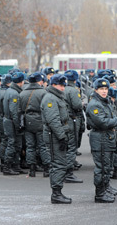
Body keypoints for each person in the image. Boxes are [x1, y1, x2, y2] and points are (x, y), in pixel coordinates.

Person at [86, 78, 117, 203]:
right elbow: (103, 122)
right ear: (96, 90)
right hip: (100, 138)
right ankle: (100, 194)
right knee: (101, 167)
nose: (104, 91)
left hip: (106, 137)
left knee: (107, 166)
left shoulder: (104, 102)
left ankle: (105, 188)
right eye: (101, 89)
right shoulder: (95, 104)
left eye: (106, 89)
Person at [41, 74, 71, 204]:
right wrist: (62, 136)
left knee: (60, 163)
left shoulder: (56, 97)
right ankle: (56, 194)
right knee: (58, 164)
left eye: (64, 85)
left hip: (57, 134)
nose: (63, 88)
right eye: (60, 85)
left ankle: (58, 192)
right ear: (53, 85)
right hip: (54, 136)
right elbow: (53, 120)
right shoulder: (50, 98)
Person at [19, 72, 50, 177]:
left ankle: (32, 169)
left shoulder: (22, 93)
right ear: (39, 81)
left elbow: (20, 109)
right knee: (43, 146)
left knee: (30, 146)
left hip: (27, 121)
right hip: (40, 121)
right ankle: (46, 169)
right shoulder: (43, 92)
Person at [3, 72, 26, 175]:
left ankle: (15, 166)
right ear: (21, 82)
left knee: (16, 144)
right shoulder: (14, 93)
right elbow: (14, 112)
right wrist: (18, 125)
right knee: (12, 143)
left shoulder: (10, 90)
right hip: (11, 121)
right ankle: (7, 167)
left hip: (9, 120)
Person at [63, 70, 83, 183]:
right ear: (75, 80)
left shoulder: (61, 89)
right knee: (71, 146)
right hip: (71, 120)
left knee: (64, 145)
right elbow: (77, 105)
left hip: (63, 119)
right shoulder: (74, 90)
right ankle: (68, 173)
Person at [0, 74, 12, 172]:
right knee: (7, 141)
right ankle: (5, 162)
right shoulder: (7, 92)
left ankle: (2, 161)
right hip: (5, 117)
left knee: (3, 140)